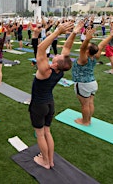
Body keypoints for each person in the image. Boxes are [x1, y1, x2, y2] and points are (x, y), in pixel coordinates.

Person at [30, 21, 75, 169]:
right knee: (47, 132)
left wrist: (57, 32)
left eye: (57, 58)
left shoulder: (45, 70)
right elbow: (67, 48)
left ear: (56, 64)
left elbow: (41, 48)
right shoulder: (60, 70)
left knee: (40, 134)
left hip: (39, 105)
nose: (56, 55)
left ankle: (45, 161)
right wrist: (74, 32)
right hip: (50, 104)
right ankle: (50, 160)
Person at [72, 24, 113, 126]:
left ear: (88, 51)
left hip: (83, 84)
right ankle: (88, 120)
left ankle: (85, 122)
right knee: (90, 103)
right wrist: (110, 36)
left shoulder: (84, 59)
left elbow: (82, 48)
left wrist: (87, 39)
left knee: (85, 105)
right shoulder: (95, 57)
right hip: (92, 83)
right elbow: (101, 45)